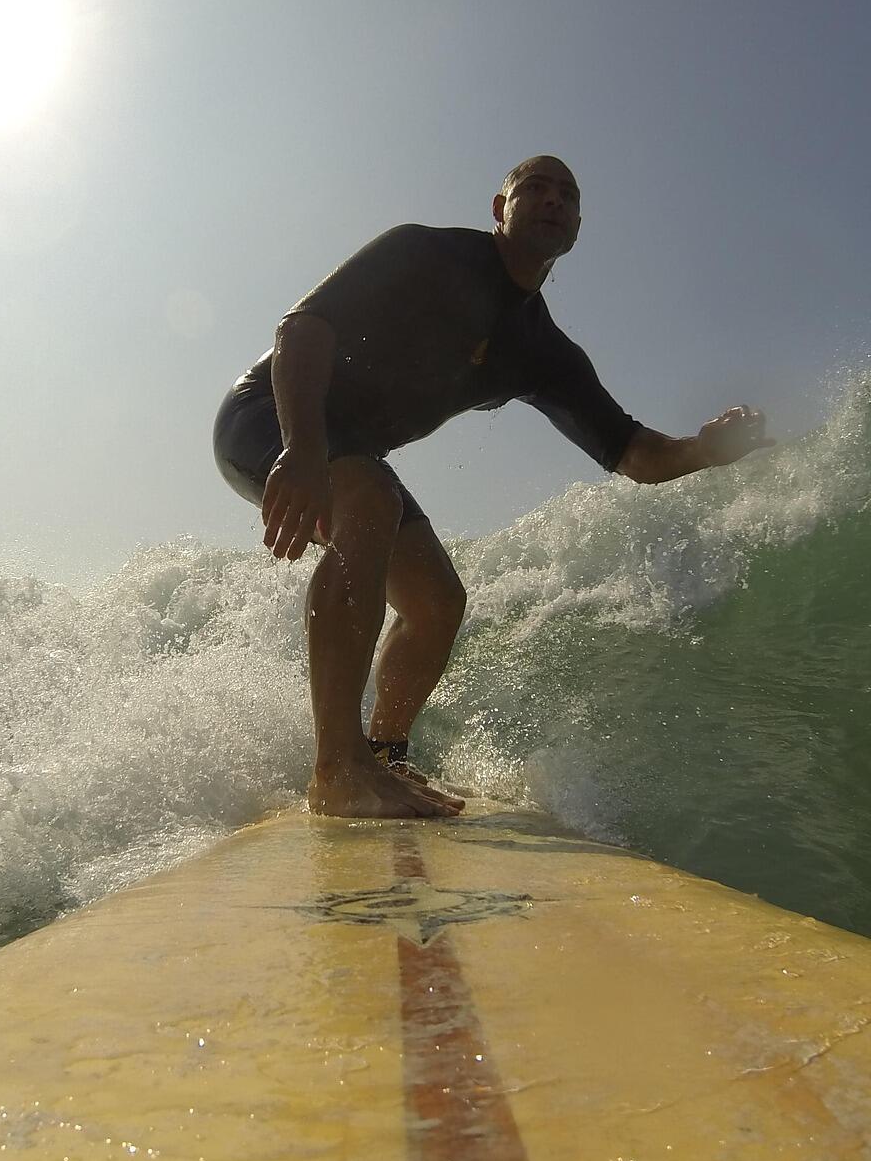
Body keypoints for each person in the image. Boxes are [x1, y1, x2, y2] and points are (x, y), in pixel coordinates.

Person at [212, 155, 775, 818]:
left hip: (351, 454)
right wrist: (304, 451)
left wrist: (704, 451)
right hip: (271, 413)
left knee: (438, 602)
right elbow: (302, 329)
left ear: (577, 227)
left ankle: (386, 757)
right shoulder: (426, 254)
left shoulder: (541, 350)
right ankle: (337, 768)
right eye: (535, 187)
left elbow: (634, 452)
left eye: (567, 194)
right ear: (498, 207)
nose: (552, 199)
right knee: (372, 499)